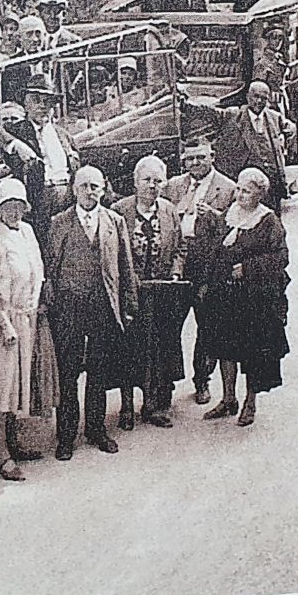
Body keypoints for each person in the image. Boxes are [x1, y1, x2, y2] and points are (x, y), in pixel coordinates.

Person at [42, 165, 139, 459]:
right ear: (74, 189)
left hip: (102, 306)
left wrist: (129, 304)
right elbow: (49, 268)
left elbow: (125, 265)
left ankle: (96, 429)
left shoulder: (115, 221)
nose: (89, 191)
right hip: (69, 308)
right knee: (68, 372)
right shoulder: (59, 223)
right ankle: (66, 436)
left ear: (103, 188)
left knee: (98, 370)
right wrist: (50, 304)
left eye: (94, 186)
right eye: (83, 186)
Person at [0, 178, 55, 481]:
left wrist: (36, 304)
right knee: (0, 386)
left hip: (25, 317)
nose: (14, 211)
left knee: (18, 383)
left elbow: (36, 271)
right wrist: (5, 325)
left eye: (19, 205)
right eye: (8, 205)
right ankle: (0, 453)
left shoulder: (28, 232)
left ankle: (14, 442)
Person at [190, 166, 290, 427]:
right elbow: (216, 248)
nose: (240, 195)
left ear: (260, 194)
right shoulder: (231, 214)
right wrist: (207, 283)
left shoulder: (268, 221)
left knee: (252, 352)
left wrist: (248, 268)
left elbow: (281, 258)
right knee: (225, 348)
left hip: (254, 300)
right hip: (225, 296)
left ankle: (250, 402)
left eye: (246, 191)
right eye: (238, 189)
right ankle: (228, 398)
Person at [113, 155, 186, 430]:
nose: (152, 186)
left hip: (162, 293)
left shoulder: (168, 210)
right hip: (131, 294)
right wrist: (127, 281)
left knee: (158, 348)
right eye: (147, 180)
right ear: (135, 182)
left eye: (158, 181)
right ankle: (127, 407)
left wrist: (176, 272)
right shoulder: (119, 211)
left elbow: (180, 248)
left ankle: (152, 405)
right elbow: (112, 254)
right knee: (129, 349)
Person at [164, 143, 234, 404]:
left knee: (207, 326)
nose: (195, 163)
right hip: (176, 263)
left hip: (207, 264)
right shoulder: (172, 186)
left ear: (212, 157)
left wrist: (216, 216)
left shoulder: (227, 187)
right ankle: (166, 383)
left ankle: (202, 380)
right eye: (189, 158)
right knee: (170, 324)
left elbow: (235, 229)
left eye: (200, 157)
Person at [213, 80, 295, 206]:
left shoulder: (274, 117)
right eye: (256, 96)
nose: (259, 102)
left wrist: (287, 134)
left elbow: (290, 128)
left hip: (270, 184)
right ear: (248, 96)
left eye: (264, 98)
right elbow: (210, 113)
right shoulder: (233, 115)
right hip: (245, 184)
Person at [23, 79, 79, 217]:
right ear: (26, 104)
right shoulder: (17, 132)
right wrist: (14, 145)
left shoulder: (62, 134)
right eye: (36, 100)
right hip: (40, 197)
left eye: (48, 102)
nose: (42, 106)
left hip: (67, 195)